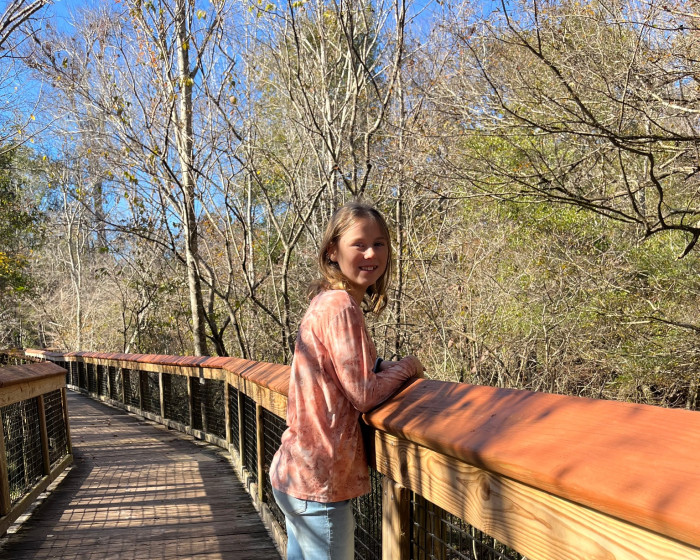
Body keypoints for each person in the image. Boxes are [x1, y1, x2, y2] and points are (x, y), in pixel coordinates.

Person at [270, 201, 424, 560]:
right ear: (332, 251)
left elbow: (346, 371)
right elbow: (364, 394)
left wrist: (383, 366)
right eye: (359, 244)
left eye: (379, 243)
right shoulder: (341, 306)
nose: (371, 253)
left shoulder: (326, 302)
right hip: (318, 481)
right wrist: (409, 367)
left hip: (297, 473)